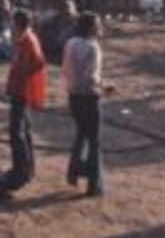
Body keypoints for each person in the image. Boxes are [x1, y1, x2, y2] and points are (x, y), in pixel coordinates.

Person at [61, 12, 106, 197]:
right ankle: (94, 183)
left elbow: (67, 70)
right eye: (97, 24)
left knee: (81, 134)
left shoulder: (71, 43)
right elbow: (90, 77)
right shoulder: (93, 48)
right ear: (90, 27)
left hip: (73, 96)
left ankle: (74, 170)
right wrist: (103, 87)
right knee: (94, 140)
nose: (99, 26)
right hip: (89, 97)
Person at [4, 9, 45, 188]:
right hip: (19, 89)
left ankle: (20, 170)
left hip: (21, 91)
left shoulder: (27, 40)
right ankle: (27, 168)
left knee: (16, 132)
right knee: (24, 131)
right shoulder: (25, 39)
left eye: (12, 23)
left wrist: (22, 75)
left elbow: (38, 62)